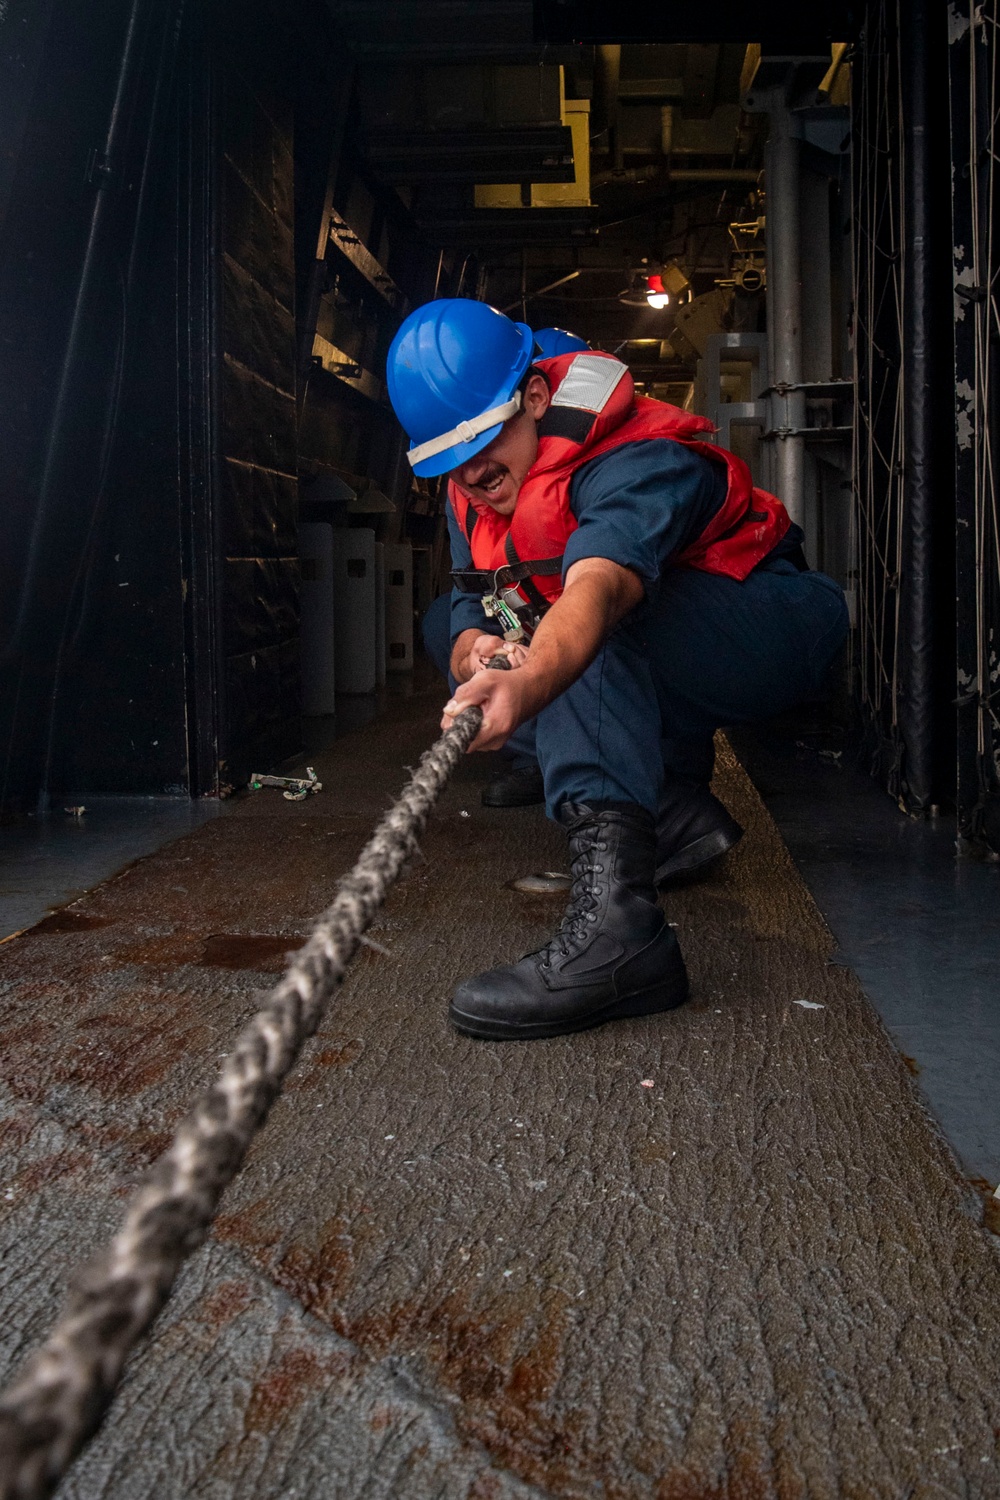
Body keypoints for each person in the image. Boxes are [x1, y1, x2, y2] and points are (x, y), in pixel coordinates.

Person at [389, 299, 848, 1042]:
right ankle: (670, 809)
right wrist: (476, 647)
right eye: (445, 459)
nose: (469, 472)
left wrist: (530, 675)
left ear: (535, 399)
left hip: (768, 626)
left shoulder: (634, 458)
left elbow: (598, 589)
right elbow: (469, 596)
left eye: (482, 438)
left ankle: (622, 939)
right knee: (456, 630)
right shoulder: (468, 484)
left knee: (581, 628)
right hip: (656, 639)